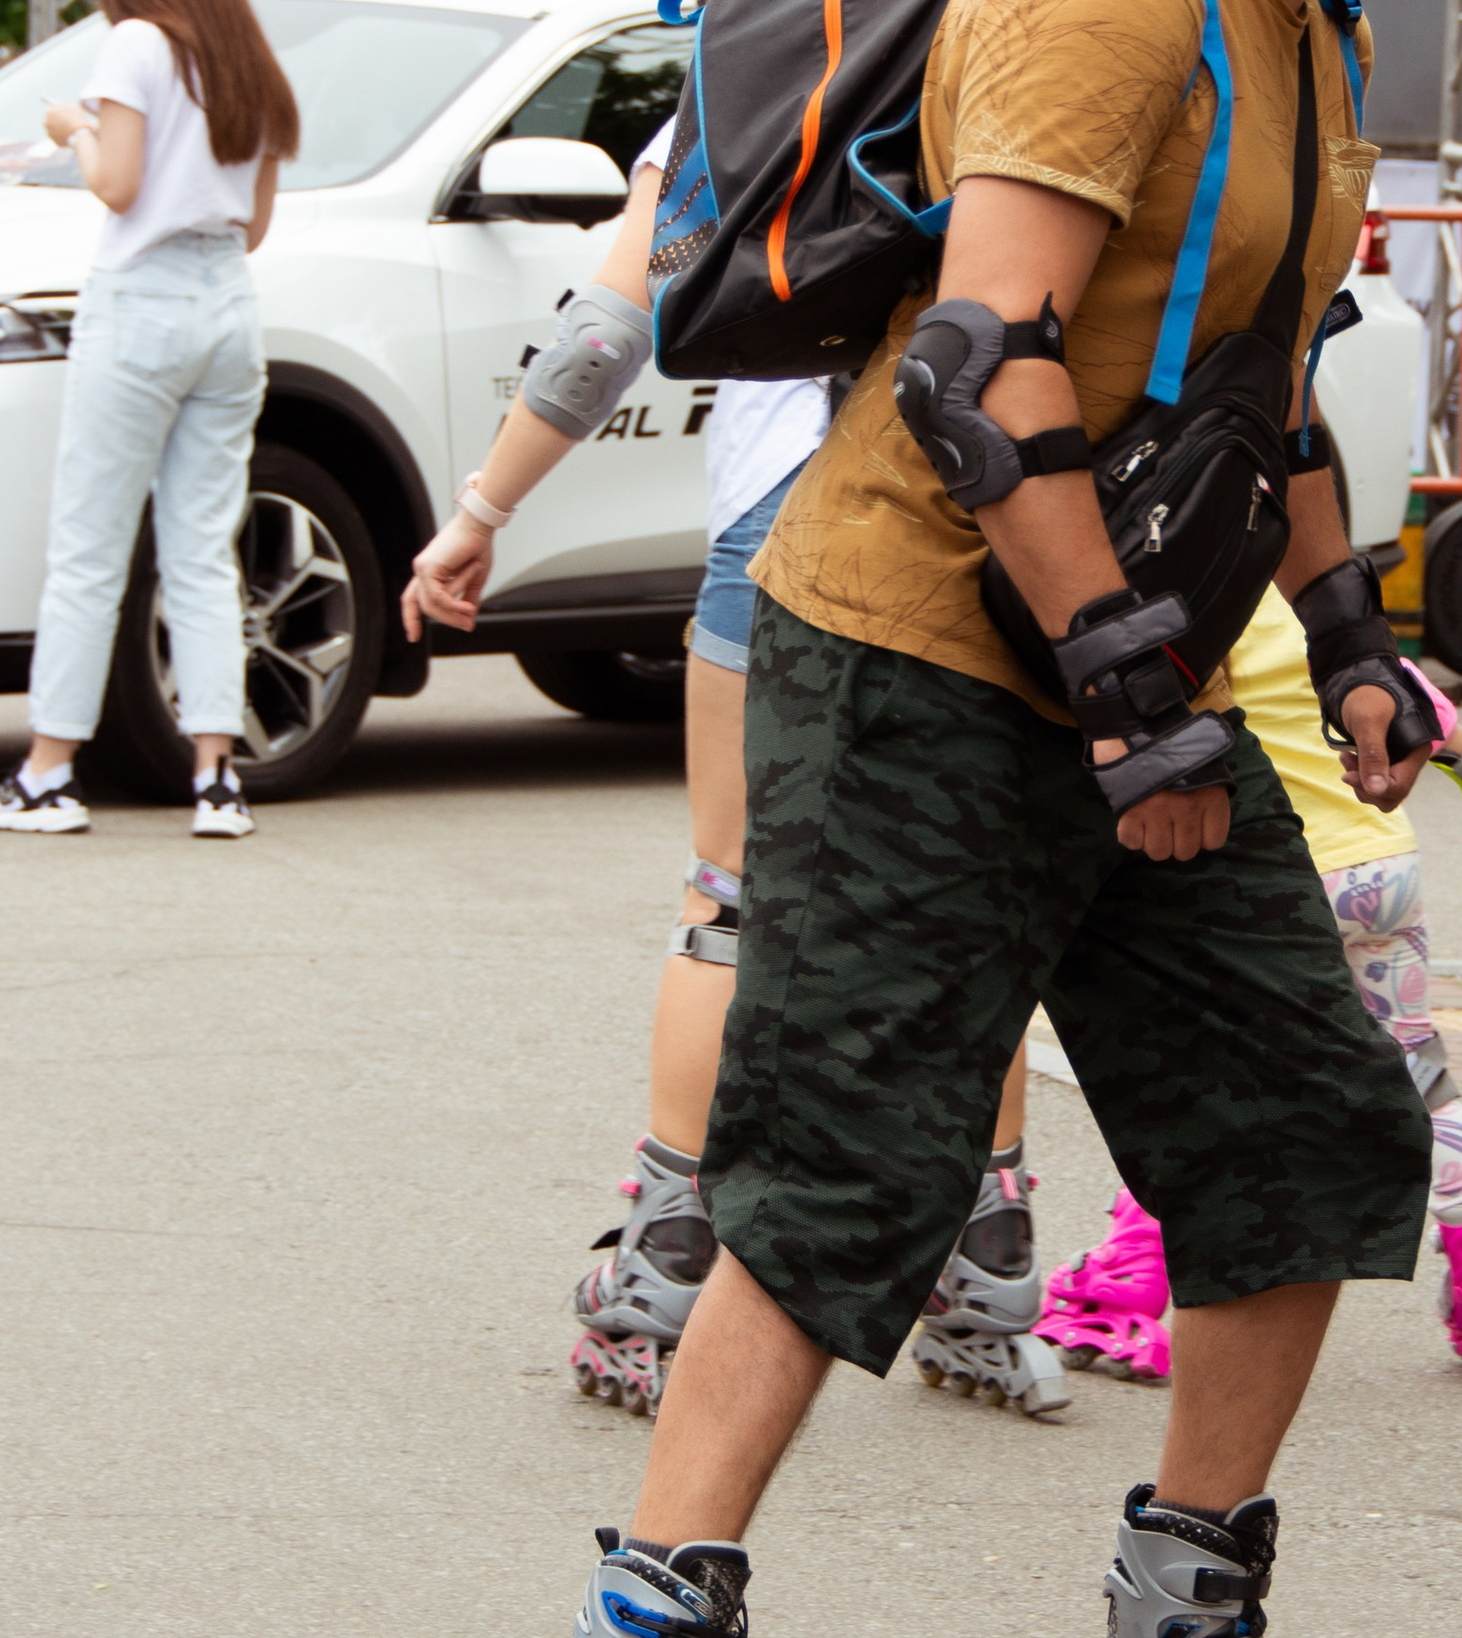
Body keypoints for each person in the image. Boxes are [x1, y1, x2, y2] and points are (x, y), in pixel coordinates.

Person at [432, 0, 1462, 1638]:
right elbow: (976, 361)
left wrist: (1349, 639)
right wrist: (1138, 702)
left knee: (1305, 1134)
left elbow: (1260, 376)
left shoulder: (1315, 30)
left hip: (1126, 672)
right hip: (924, 657)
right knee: (849, 1174)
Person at [400, 169, 1058, 1425]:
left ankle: (664, 1273)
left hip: (788, 522)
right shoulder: (1011, 25)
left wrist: (483, 511)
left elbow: (606, 327)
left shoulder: (755, 39)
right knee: (977, 904)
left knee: (731, 897)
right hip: (977, 512)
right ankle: (986, 1270)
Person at [1037, 581, 1462, 1387]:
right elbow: (1447, 735)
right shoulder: (1321, 624)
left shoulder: (1193, 615)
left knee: (1193, 1080)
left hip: (1287, 879)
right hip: (1384, 874)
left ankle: (1122, 1286)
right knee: (1422, 1075)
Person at [0, 0, 297, 840]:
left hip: (141, 299)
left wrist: (72, 124)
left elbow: (117, 184)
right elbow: (256, 225)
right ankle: (218, 776)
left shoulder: (137, 45)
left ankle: (48, 771)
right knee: (201, 546)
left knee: (89, 547)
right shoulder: (250, 65)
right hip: (228, 304)